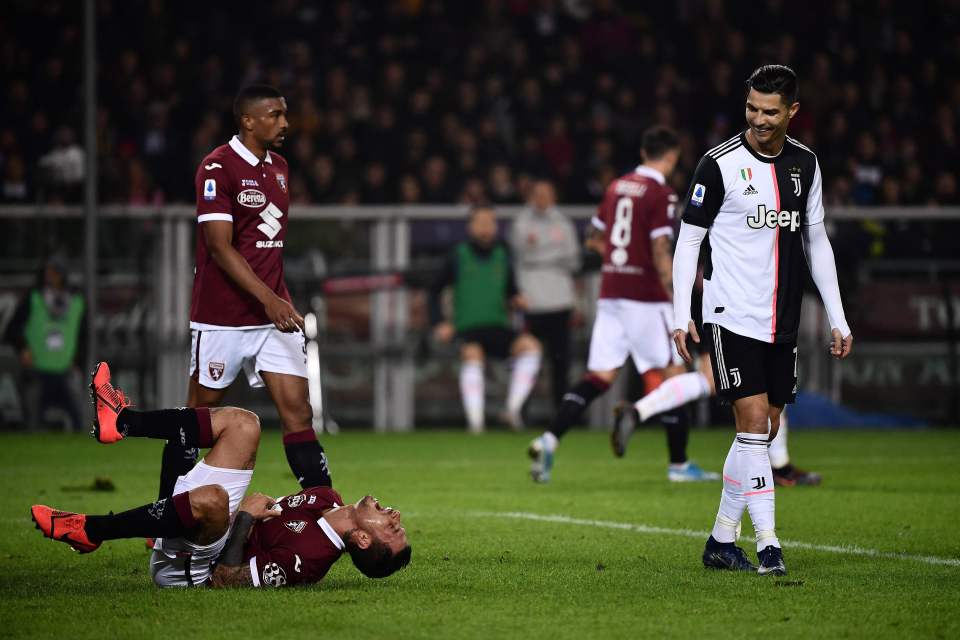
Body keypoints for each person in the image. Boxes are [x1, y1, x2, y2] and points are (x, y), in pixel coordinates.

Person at [672, 65, 853, 576]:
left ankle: (720, 539)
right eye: (751, 108)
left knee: (767, 429)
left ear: (792, 111)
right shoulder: (719, 164)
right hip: (731, 314)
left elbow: (816, 240)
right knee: (752, 426)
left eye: (770, 111)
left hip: (783, 320)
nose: (758, 119)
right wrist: (681, 313)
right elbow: (688, 240)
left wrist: (838, 317)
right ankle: (770, 544)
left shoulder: (805, 164)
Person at [31, 362, 411, 587]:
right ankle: (120, 422)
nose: (396, 516)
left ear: (361, 539)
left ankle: (90, 530)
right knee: (244, 425)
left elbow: (227, 579)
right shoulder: (327, 499)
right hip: (210, 530)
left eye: (391, 528)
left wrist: (245, 516)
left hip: (193, 571)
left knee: (211, 497)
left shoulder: (309, 561)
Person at [159, 85, 330, 505]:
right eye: (274, 114)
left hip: (273, 316)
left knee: (299, 412)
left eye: (285, 114)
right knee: (196, 418)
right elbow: (219, 246)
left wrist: (275, 300)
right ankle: (165, 511)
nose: (285, 123)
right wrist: (268, 298)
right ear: (248, 120)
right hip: (223, 316)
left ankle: (324, 507)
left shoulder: (281, 168)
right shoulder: (217, 168)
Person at [527, 126, 718, 483]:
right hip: (646, 297)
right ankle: (678, 464)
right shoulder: (661, 193)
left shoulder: (616, 187)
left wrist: (621, 259)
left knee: (599, 376)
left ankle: (548, 439)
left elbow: (594, 239)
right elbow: (661, 249)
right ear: (672, 157)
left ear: (644, 152)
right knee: (675, 375)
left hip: (612, 293)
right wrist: (677, 297)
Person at [429, 205, 543, 432]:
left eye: (490, 223)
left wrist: (517, 299)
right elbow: (434, 290)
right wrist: (439, 322)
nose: (485, 228)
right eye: (480, 223)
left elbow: (511, 290)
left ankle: (512, 410)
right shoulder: (457, 255)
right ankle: (476, 423)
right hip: (466, 328)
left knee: (531, 347)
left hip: (498, 326)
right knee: (473, 353)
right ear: (470, 227)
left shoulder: (504, 255)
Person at [510, 180, 580, 412]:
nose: (542, 198)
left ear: (553, 196)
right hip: (532, 302)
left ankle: (561, 413)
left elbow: (573, 260)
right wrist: (553, 255)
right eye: (537, 194)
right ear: (531, 196)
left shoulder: (563, 223)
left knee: (561, 362)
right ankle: (521, 412)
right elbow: (520, 256)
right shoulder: (520, 223)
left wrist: (538, 253)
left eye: (546, 194)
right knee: (528, 361)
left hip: (560, 301)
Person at [3, 255, 86, 430]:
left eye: (55, 272)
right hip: (36, 373)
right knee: (33, 425)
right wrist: (22, 348)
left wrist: (78, 361)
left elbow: (82, 335)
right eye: (48, 271)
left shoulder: (77, 301)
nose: (51, 276)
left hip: (65, 372)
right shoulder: (34, 298)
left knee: (80, 423)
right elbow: (11, 331)